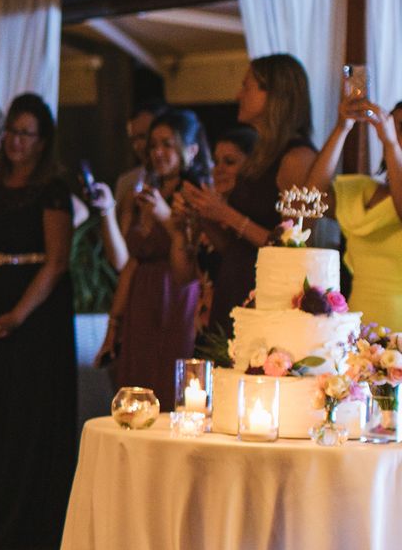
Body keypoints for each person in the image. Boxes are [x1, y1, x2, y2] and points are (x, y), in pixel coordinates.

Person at [0, 94, 76, 546]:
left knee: (28, 413)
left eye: (25, 133)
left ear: (41, 140)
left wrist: (16, 315)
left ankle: (28, 520)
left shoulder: (52, 189)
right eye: (10, 131)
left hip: (36, 312)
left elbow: (56, 262)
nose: (14, 141)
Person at [179, 55, 317, 338]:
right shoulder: (260, 157)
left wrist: (226, 213)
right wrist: (202, 214)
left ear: (276, 94)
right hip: (235, 285)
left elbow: (293, 247)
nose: (238, 95)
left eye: (247, 86)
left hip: (265, 298)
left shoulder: (296, 158)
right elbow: (235, 247)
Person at [100, 108, 206, 400]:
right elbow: (128, 261)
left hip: (176, 297)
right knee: (136, 385)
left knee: (169, 383)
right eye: (153, 146)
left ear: (190, 149)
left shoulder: (196, 194)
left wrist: (165, 216)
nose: (158, 152)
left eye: (167, 144)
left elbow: (192, 262)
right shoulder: (145, 192)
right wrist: (114, 324)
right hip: (140, 298)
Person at [307, 94, 402, 330]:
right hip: (355, 324)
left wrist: (391, 144)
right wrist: (342, 127)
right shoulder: (363, 188)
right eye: (394, 125)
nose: (394, 133)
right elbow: (310, 198)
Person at [169, 126, 259, 337]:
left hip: (241, 320)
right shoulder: (209, 209)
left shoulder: (250, 218)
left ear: (252, 167)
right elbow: (183, 276)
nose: (217, 170)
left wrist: (216, 214)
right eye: (216, 161)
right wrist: (179, 230)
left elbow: (235, 256)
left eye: (229, 162)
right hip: (206, 321)